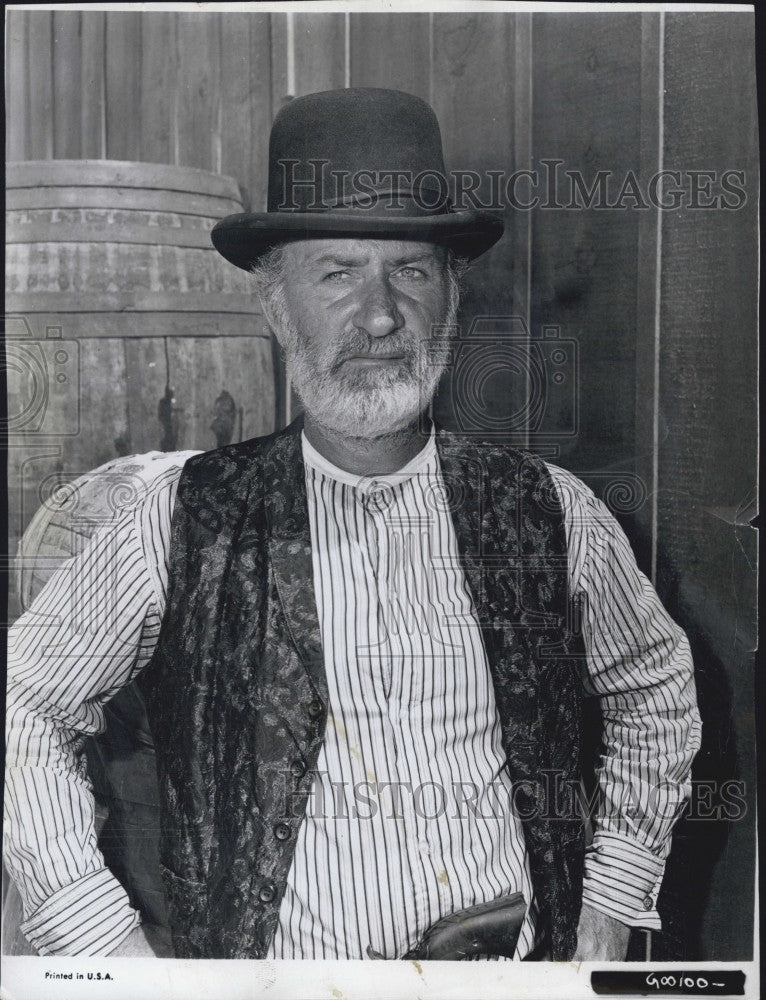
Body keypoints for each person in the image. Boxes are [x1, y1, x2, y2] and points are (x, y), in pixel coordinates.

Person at [4, 87, 701, 961]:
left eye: (409, 271)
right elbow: (23, 705)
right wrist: (98, 941)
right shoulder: (177, 518)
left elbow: (655, 689)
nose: (379, 316)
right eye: (338, 272)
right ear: (276, 306)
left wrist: (613, 895)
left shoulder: (552, 511)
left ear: (449, 300)